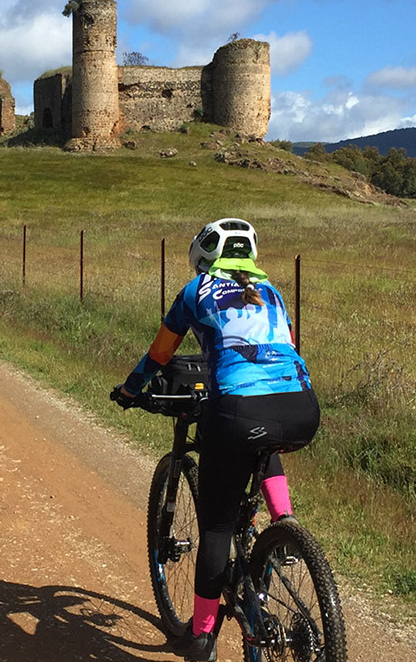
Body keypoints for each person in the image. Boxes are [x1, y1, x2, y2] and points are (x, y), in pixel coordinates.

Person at [112, 218, 320, 662]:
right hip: (302, 407)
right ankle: (285, 527)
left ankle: (202, 638)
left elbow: (160, 354)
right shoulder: (273, 293)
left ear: (203, 258)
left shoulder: (196, 291)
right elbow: (283, 348)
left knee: (218, 527)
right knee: (263, 442)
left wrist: (131, 390)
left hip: (238, 411)